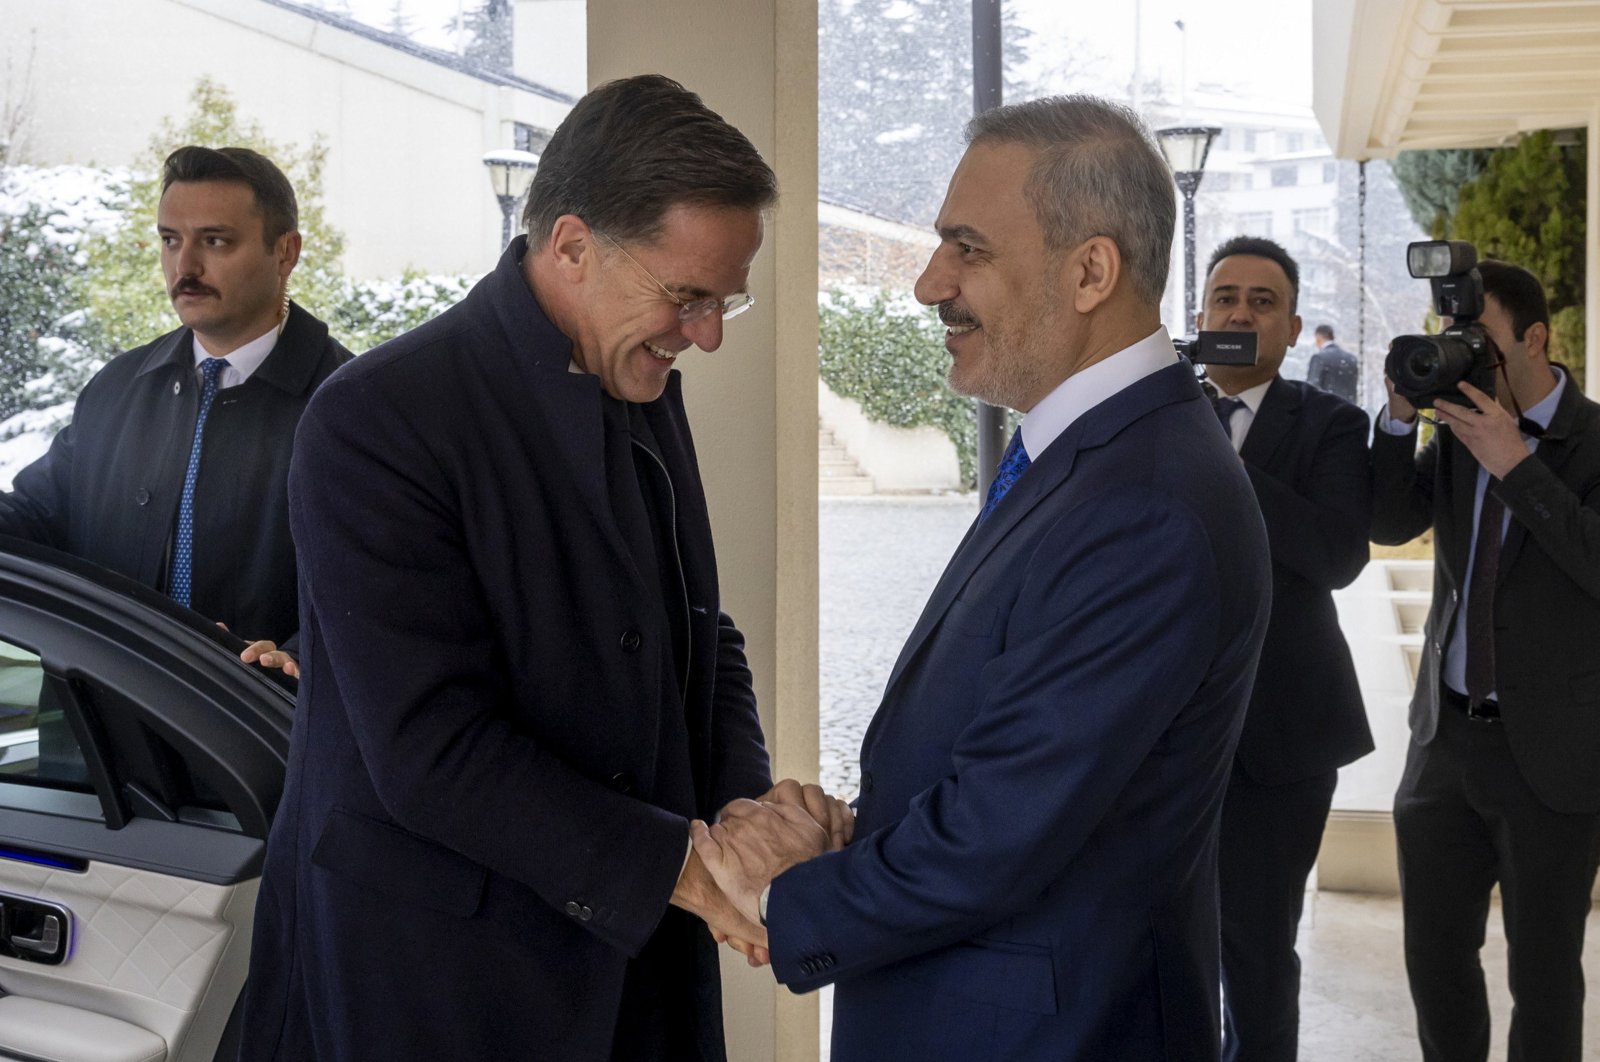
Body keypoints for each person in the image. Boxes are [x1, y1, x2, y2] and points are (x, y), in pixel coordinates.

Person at [238, 74, 848, 1062]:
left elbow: (701, 634)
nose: (707, 334)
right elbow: (431, 750)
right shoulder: (376, 417)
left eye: (721, 301)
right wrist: (701, 873)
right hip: (440, 983)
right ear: (570, 245)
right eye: (686, 296)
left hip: (634, 959)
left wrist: (741, 812)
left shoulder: (634, 378)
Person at [692, 95, 1272, 1061]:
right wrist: (845, 840)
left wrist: (781, 894)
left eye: (968, 248)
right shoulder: (1093, 455)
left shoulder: (1148, 506)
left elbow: (996, 834)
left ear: (1091, 270)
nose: (928, 284)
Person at [0, 145, 348, 675]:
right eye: (170, 240)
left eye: (215, 241)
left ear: (286, 252)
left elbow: (382, 592)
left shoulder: (353, 408)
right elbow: (35, 520)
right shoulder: (116, 387)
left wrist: (298, 658)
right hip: (101, 736)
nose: (184, 266)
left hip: (263, 737)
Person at [1372, 259, 1600, 1062]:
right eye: (1452, 338)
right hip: (1443, 746)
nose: (1464, 354)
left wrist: (1519, 465)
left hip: (1553, 757)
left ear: (1535, 338)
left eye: (1482, 340)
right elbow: (1388, 521)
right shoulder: (1462, 428)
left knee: (1543, 977)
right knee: (1434, 964)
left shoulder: (1596, 438)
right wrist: (1399, 421)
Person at [1199, 236, 1374, 1062]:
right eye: (1224, 298)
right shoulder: (1154, 418)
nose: (1240, 312)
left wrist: (1214, 457)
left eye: (1261, 302)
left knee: (1259, 955)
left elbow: (1337, 554)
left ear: (1294, 326)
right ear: (1200, 318)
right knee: (1154, 943)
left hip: (1284, 740)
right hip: (1156, 735)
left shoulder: (1332, 426)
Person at [1305, 323, 1359, 404]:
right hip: (1349, 410)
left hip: (1326, 410)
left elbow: (1312, 388)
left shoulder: (1319, 358)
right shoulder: (1351, 359)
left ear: (1318, 338)